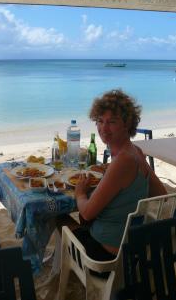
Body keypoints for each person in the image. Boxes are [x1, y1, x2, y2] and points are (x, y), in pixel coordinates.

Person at [59, 89, 167, 261]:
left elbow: (87, 213)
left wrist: (80, 192)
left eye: (112, 122)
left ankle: (66, 265)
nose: (103, 128)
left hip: (108, 255)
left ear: (127, 124)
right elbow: (161, 194)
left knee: (58, 218)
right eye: (100, 121)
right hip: (132, 243)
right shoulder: (136, 152)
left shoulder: (123, 161)